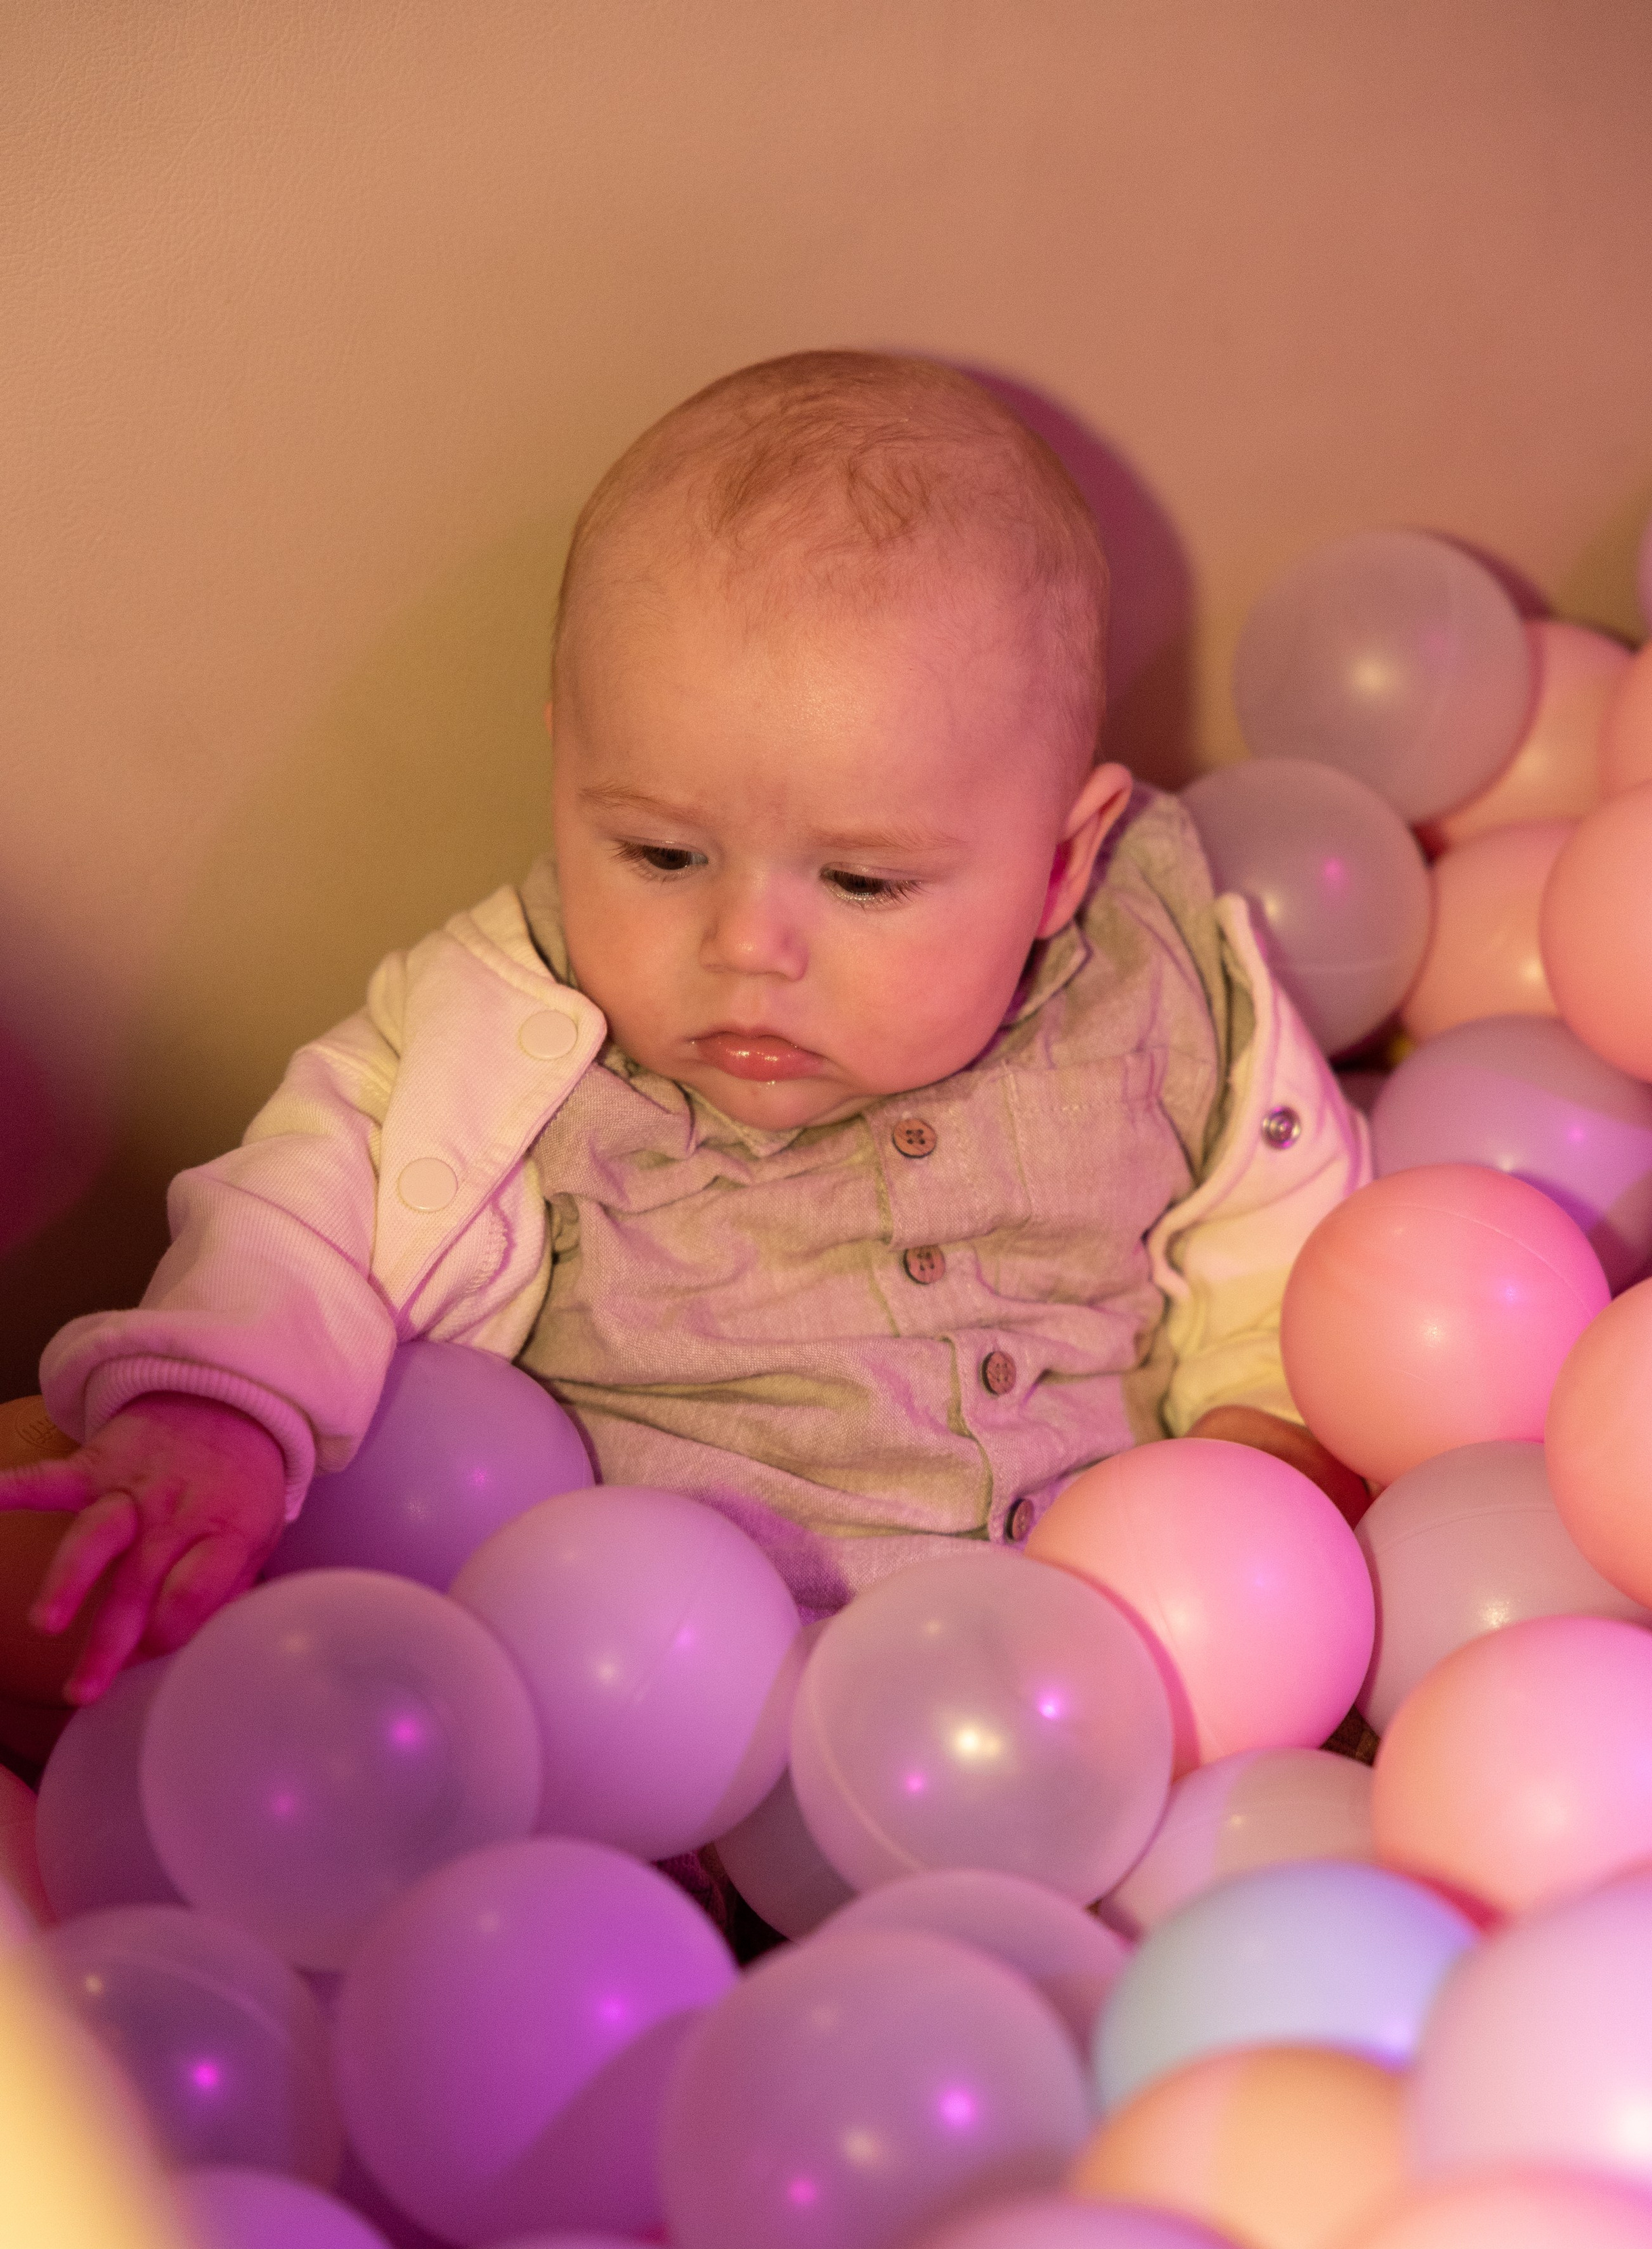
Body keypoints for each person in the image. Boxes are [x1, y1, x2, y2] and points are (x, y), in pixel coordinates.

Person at [0, 351, 1370, 1706]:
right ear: (564, 775)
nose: (744, 950)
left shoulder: (1156, 967)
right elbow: (308, 1211)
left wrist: (1269, 1447)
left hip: (1117, 1695)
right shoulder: (513, 1028)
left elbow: (1281, 1238)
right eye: (659, 855)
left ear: (1057, 867)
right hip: (679, 1735)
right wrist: (217, 1412)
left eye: (862, 881)